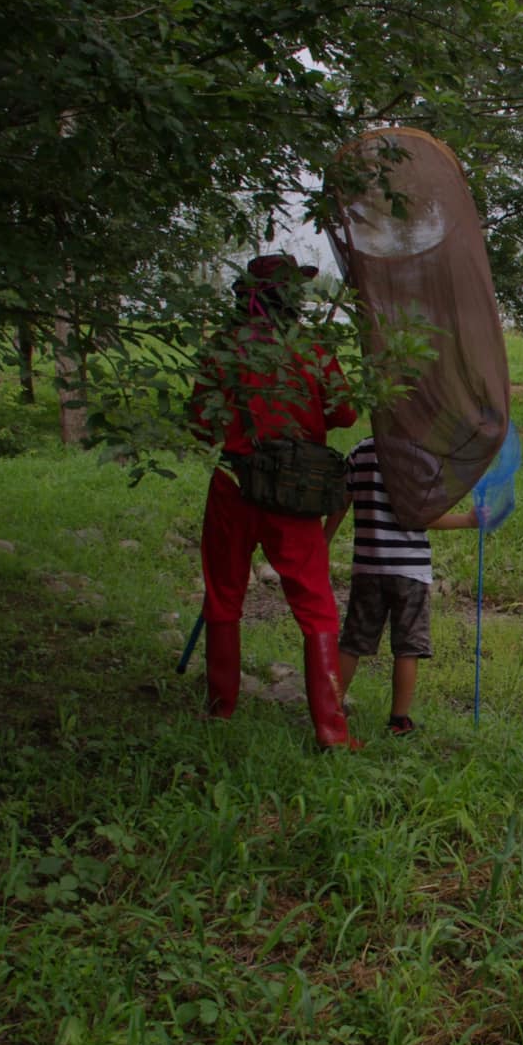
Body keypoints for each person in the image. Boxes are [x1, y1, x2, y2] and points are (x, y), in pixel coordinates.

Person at [188, 253, 359, 749]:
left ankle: (220, 710)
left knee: (224, 594)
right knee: (317, 607)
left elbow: (201, 424)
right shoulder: (310, 348)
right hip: (293, 494)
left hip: (234, 486)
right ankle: (330, 729)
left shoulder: (224, 349)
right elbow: (346, 414)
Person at [323, 435, 479, 739]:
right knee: (407, 647)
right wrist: (468, 520)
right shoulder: (422, 455)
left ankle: (330, 711)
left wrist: (323, 540)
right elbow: (426, 517)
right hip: (409, 569)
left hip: (368, 566)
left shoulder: (360, 452)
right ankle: (399, 720)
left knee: (353, 641)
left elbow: (340, 503)